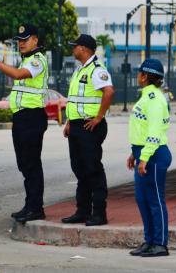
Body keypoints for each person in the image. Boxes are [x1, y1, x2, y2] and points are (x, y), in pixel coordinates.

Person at [0, 24, 49, 223]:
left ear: (35, 39)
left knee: (32, 163)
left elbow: (18, 75)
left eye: (25, 40)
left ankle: (36, 208)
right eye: (19, 40)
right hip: (22, 117)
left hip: (32, 117)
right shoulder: (25, 60)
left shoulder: (37, 60)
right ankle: (30, 204)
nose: (21, 44)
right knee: (24, 163)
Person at [61, 34, 114, 226]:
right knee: (80, 170)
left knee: (93, 170)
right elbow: (75, 100)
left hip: (90, 126)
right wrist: (69, 121)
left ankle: (99, 213)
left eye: (74, 46)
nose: (72, 49)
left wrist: (99, 117)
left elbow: (109, 91)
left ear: (83, 48)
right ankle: (82, 211)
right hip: (76, 125)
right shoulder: (79, 70)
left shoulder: (97, 70)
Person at [127, 58, 172, 257]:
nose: (137, 76)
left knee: (155, 200)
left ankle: (160, 243)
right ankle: (149, 240)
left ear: (145, 76)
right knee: (142, 199)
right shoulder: (147, 97)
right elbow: (142, 129)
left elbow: (154, 132)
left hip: (153, 155)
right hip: (144, 153)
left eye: (139, 73)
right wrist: (134, 153)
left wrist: (144, 157)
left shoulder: (154, 99)